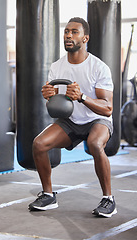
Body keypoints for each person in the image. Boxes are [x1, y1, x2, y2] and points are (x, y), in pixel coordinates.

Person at [28, 17, 117, 218]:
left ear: (85, 38)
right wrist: (48, 97)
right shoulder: (57, 67)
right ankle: (48, 195)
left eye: (74, 32)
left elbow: (108, 108)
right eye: (66, 31)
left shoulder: (98, 67)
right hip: (71, 121)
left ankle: (108, 199)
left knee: (95, 144)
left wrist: (83, 97)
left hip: (97, 120)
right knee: (39, 144)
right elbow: (56, 106)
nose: (68, 35)